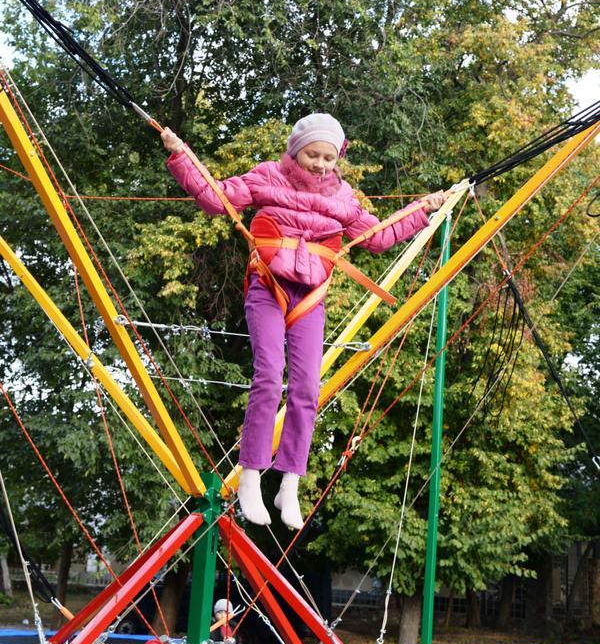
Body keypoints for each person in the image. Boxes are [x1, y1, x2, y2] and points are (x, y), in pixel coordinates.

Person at [163, 113, 445, 528]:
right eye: (313, 155)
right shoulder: (267, 177)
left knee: (308, 387)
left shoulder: (344, 197)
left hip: (310, 298)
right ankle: (251, 476)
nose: (321, 164)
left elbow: (379, 237)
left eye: (329, 158)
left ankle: (289, 483)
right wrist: (180, 155)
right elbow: (216, 198)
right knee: (268, 374)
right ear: (295, 151)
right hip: (268, 287)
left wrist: (423, 209)